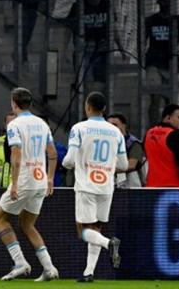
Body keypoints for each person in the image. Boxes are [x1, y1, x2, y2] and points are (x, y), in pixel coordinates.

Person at [0, 88, 59, 281]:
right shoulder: (42, 124)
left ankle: (20, 262)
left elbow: (16, 156)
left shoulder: (14, 125)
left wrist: (13, 184)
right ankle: (49, 268)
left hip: (24, 180)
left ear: (14, 103)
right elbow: (53, 154)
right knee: (27, 224)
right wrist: (50, 178)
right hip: (40, 180)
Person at [62, 92, 124, 282]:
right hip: (106, 186)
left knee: (84, 231)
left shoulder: (79, 128)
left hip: (86, 185)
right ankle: (89, 272)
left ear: (87, 107)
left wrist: (66, 163)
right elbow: (122, 165)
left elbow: (70, 160)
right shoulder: (116, 132)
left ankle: (109, 243)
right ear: (104, 109)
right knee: (95, 227)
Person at [144, 0, 179, 122]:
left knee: (170, 101)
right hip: (154, 62)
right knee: (155, 97)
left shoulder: (178, 21)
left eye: (167, 0)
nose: (164, 3)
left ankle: (168, 130)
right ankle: (153, 128)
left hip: (170, 64)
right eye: (162, 0)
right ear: (158, 2)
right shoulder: (151, 20)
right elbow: (142, 41)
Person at [143, 103, 179, 187]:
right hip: (175, 185)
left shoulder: (148, 133)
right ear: (168, 118)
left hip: (153, 185)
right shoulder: (175, 135)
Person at [106, 113, 146, 187]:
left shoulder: (133, 143)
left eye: (115, 125)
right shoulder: (107, 143)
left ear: (124, 125)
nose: (111, 128)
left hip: (131, 184)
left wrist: (107, 169)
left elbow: (131, 165)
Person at [0, 111, 17, 188]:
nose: (11, 126)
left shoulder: (24, 143)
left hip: (16, 187)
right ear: (5, 125)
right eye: (8, 124)